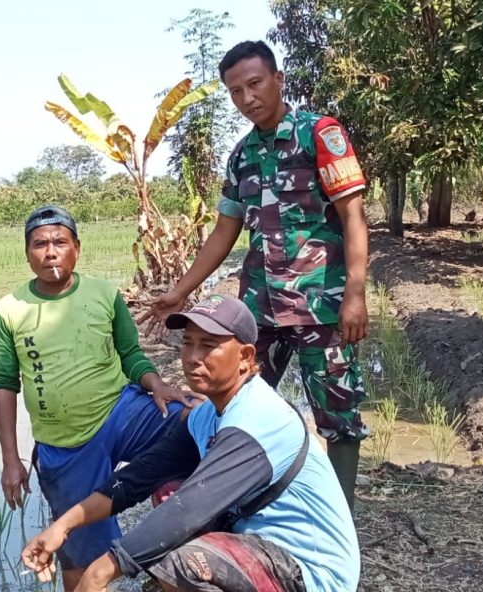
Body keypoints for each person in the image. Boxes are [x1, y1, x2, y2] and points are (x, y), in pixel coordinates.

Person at [141, 40, 371, 508]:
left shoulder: (319, 134)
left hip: (320, 306)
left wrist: (355, 294)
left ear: (278, 79)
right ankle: (236, 503)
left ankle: (341, 517)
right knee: (237, 404)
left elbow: (353, 216)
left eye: (255, 84)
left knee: (337, 412)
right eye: (235, 91)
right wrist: (180, 293)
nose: (247, 98)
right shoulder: (241, 155)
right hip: (259, 310)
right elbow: (224, 231)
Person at [22, 295, 360, 592]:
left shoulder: (256, 419)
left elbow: (189, 510)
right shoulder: (206, 415)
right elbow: (137, 478)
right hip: (259, 545)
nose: (193, 356)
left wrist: (99, 572)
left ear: (244, 356)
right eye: (187, 342)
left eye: (209, 345)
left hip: (311, 572)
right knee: (165, 489)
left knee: (182, 561)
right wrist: (62, 526)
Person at [0, 204, 198, 592]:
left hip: (121, 411)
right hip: (66, 443)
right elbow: (4, 384)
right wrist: (9, 459)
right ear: (27, 253)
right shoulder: (9, 310)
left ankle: (181, 516)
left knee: (195, 419)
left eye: (59, 242)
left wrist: (156, 384)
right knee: (81, 561)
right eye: (39, 244)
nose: (50, 251)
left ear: (77, 249)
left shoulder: (105, 293)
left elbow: (131, 354)